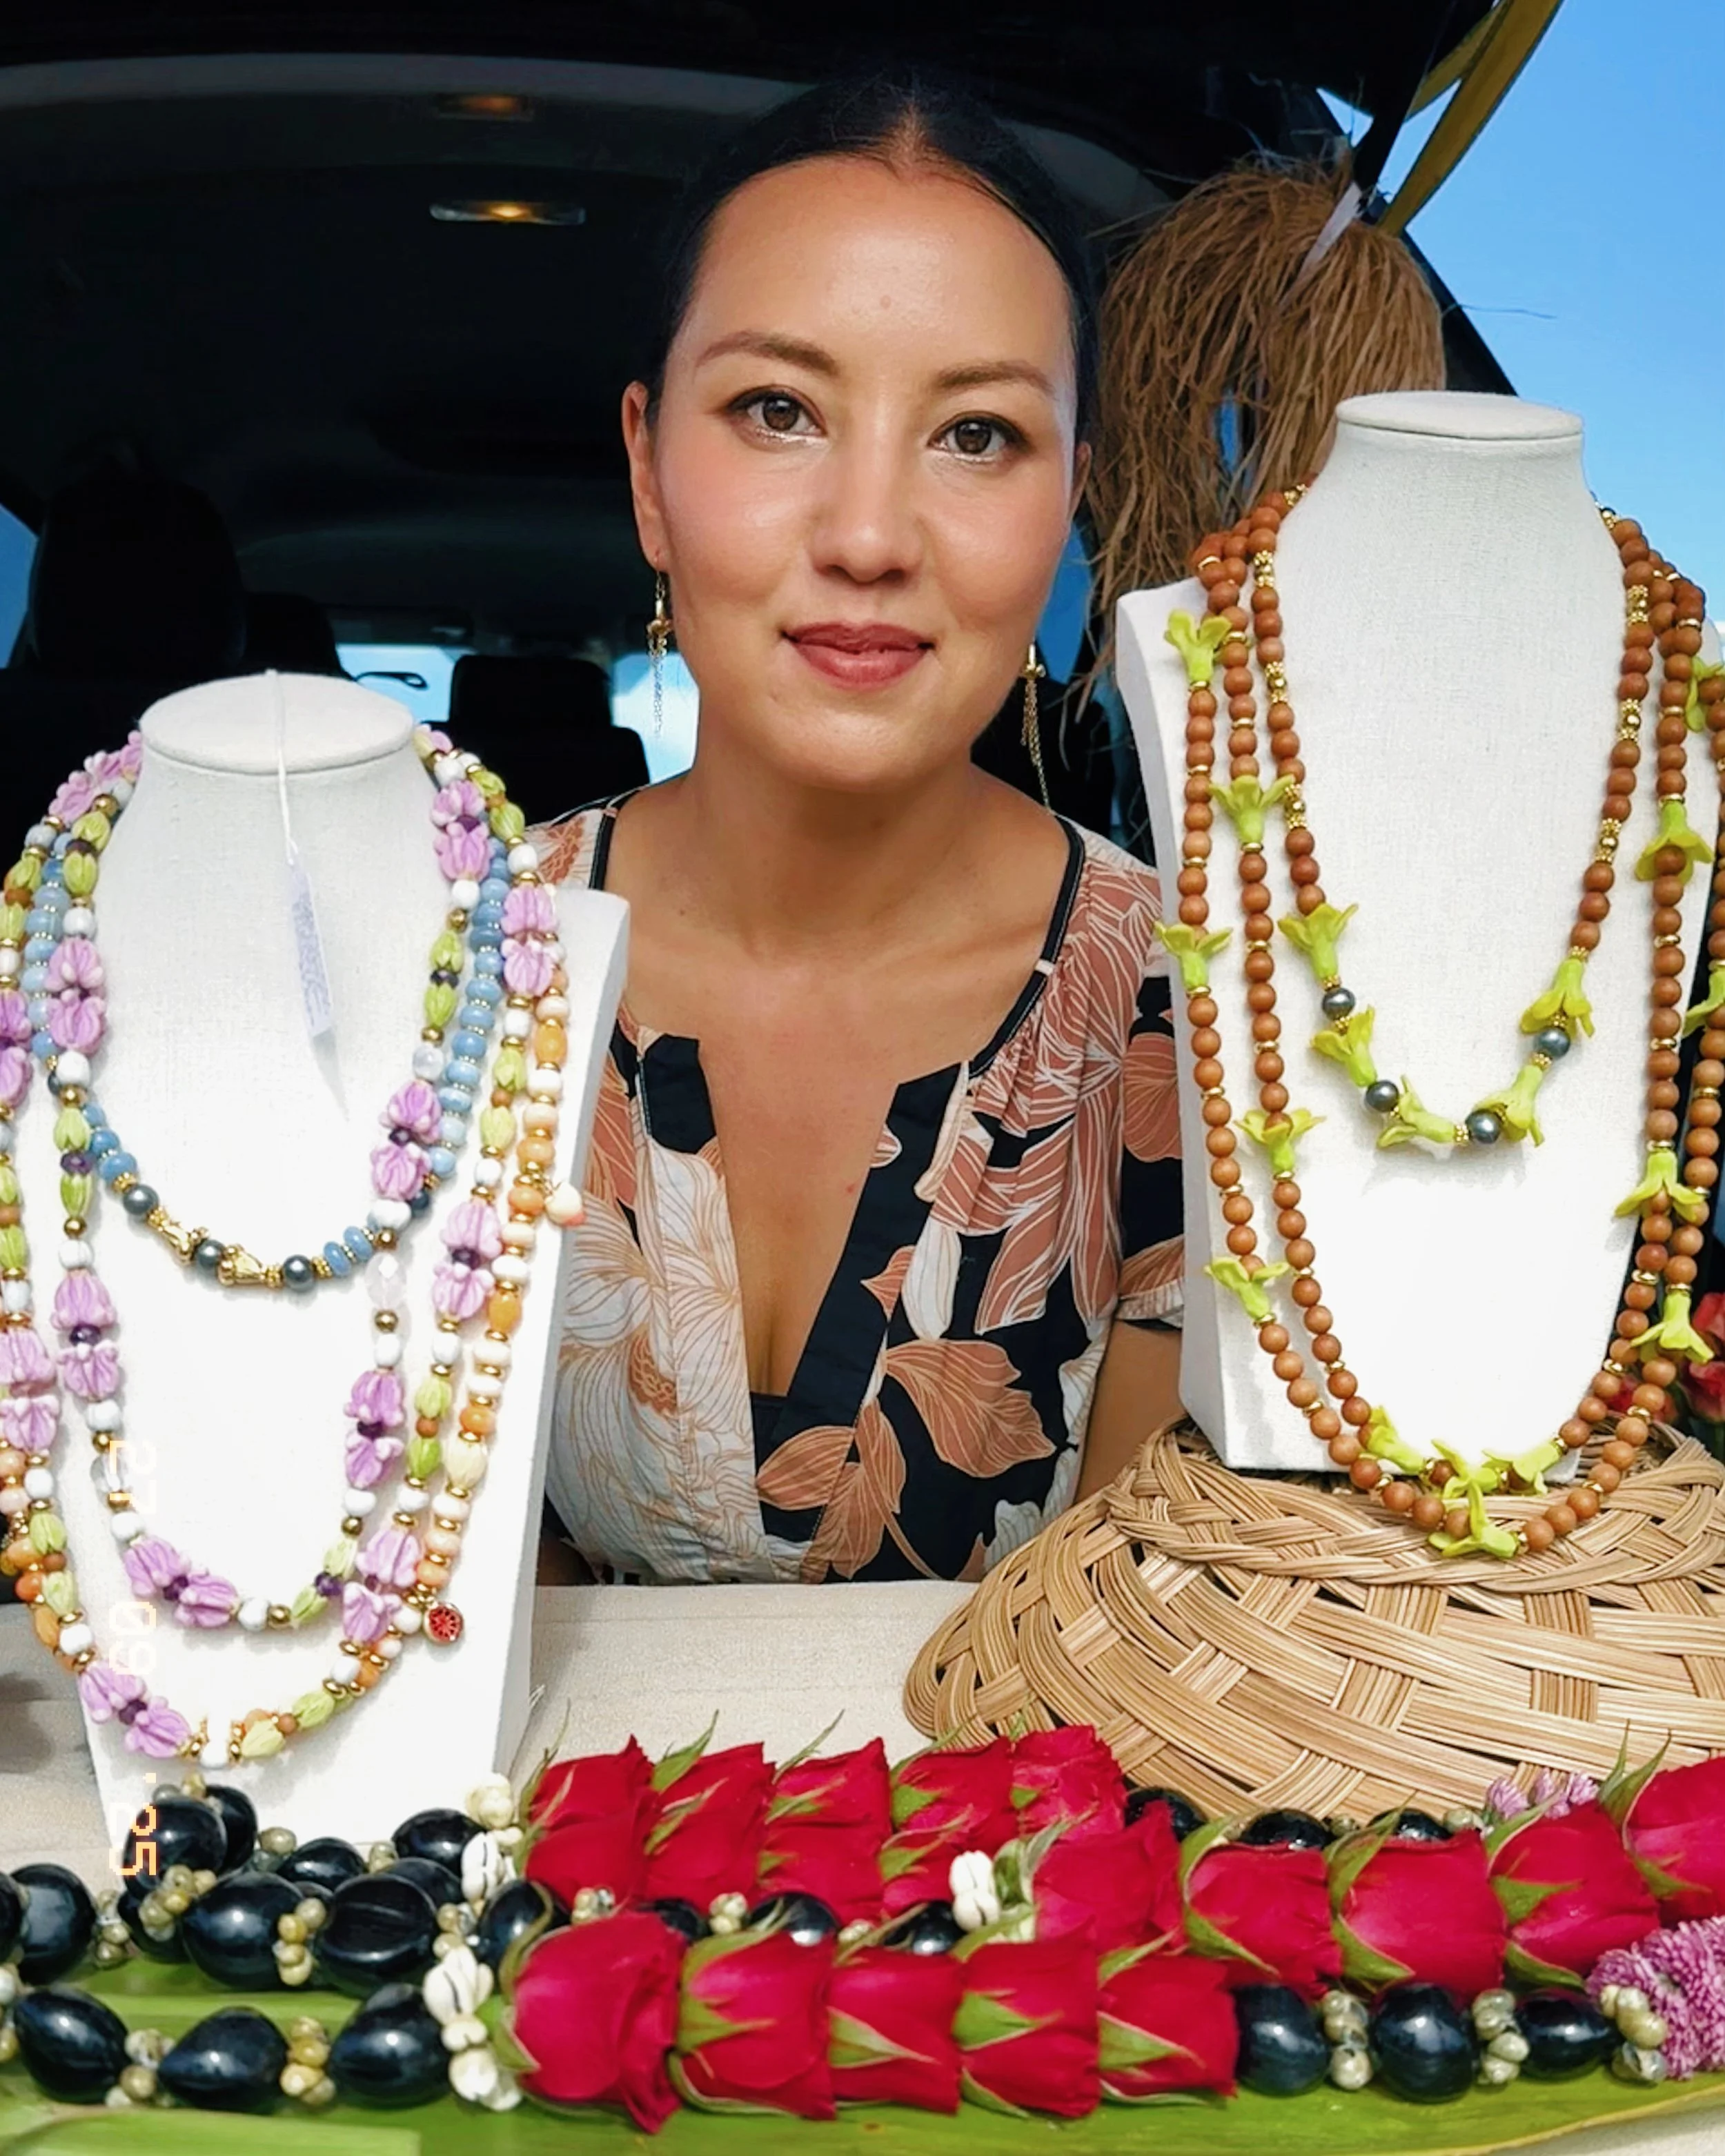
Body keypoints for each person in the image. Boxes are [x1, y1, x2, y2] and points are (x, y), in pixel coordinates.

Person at [535, 72, 1183, 1585]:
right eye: (777, 411)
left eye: (974, 435)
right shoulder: (452, 971)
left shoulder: (1200, 1016)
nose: (871, 536)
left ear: (1069, 503)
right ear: (646, 469)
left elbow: (1148, 1665)